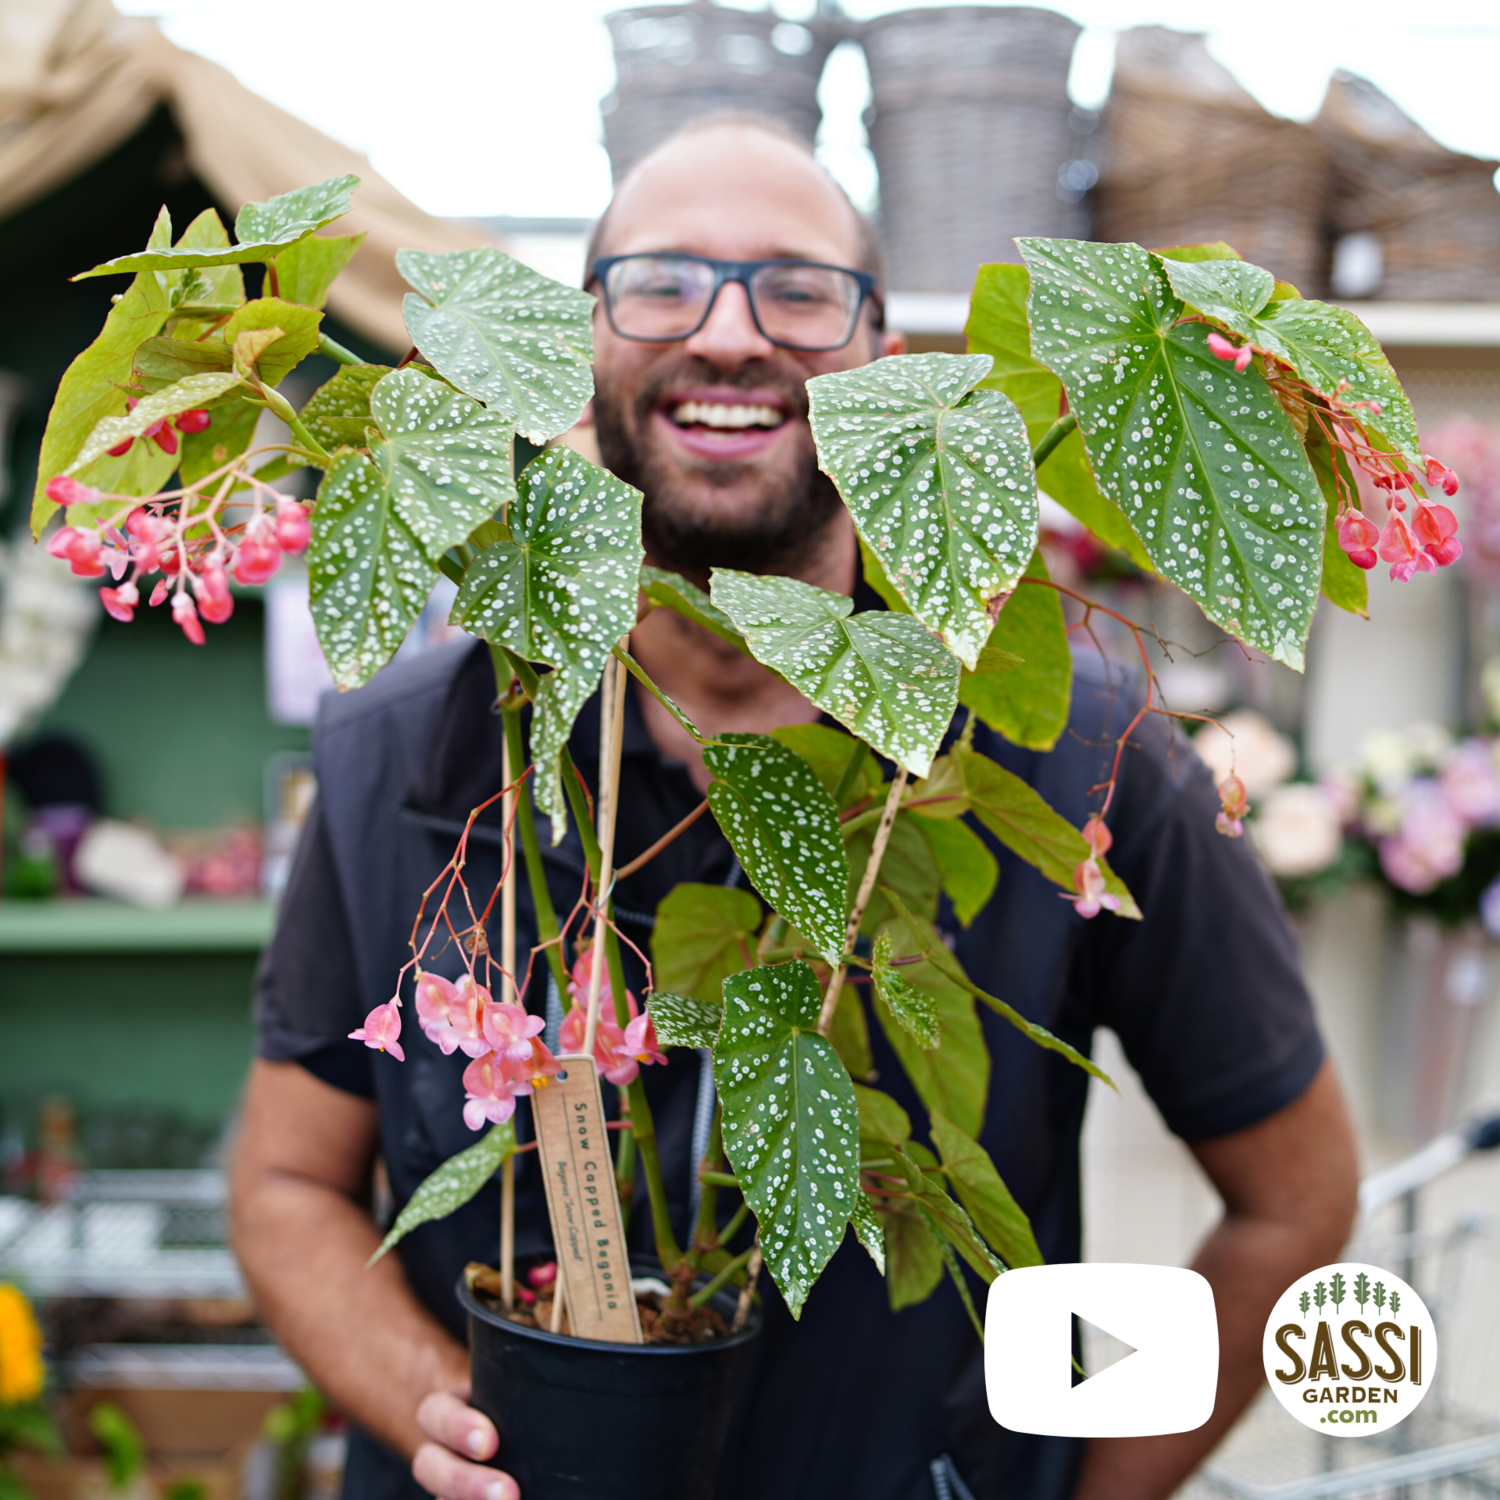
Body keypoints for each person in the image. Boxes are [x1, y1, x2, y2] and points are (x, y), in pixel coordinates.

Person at [230, 116, 1360, 1500]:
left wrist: (1080, 1485)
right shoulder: (412, 748)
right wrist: (436, 1415)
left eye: (800, 290)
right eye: (660, 282)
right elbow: (284, 1186)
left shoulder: (1077, 756)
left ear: (890, 366)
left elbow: (1295, 1203)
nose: (729, 334)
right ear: (576, 348)